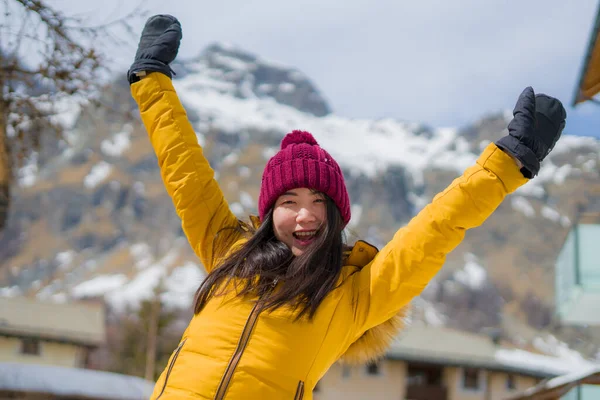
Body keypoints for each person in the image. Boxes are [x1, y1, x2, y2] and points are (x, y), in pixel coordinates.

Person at [128, 15, 566, 400]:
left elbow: (435, 230)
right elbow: (185, 172)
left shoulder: (354, 295)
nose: (306, 215)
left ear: (337, 216)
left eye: (320, 202)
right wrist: (152, 82)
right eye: (289, 201)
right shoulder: (228, 253)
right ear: (268, 214)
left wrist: (508, 162)